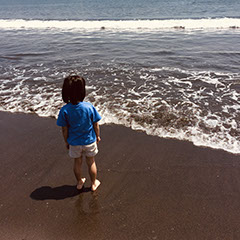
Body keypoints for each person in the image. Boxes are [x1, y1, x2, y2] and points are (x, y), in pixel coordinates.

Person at [57, 75, 101, 191]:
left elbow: (64, 129)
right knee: (91, 162)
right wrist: (97, 136)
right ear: (83, 91)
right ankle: (93, 183)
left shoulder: (65, 110)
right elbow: (96, 124)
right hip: (89, 140)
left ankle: (79, 182)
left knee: (77, 163)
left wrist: (66, 141)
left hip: (74, 142)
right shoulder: (89, 107)